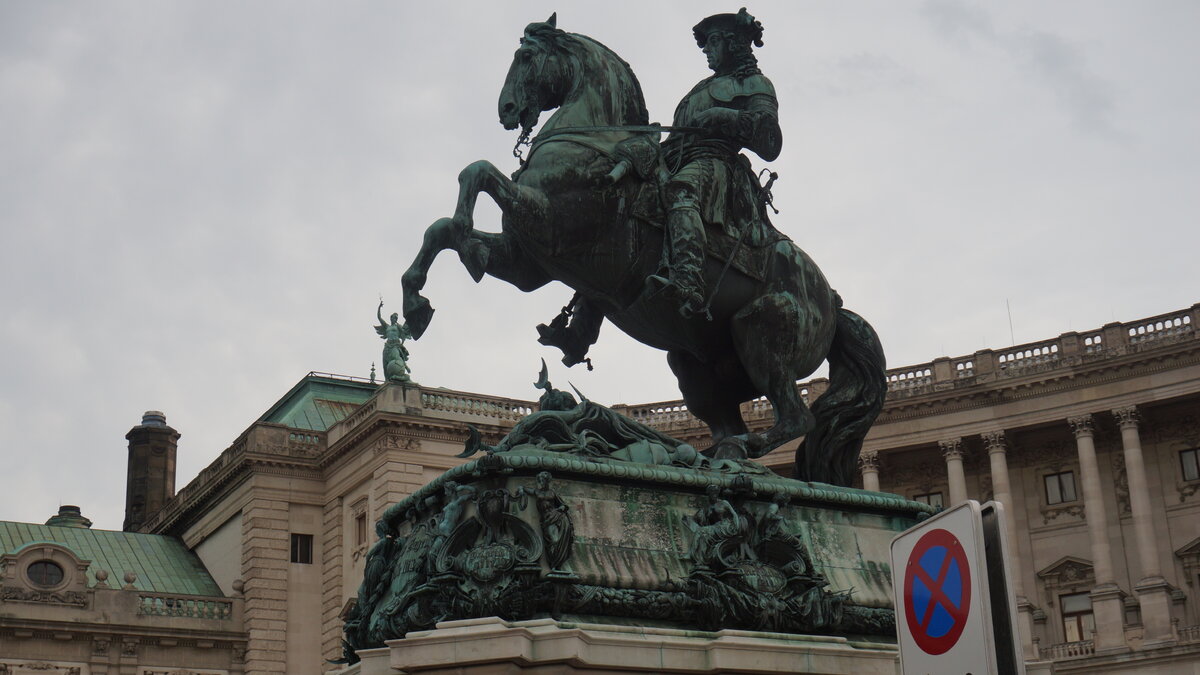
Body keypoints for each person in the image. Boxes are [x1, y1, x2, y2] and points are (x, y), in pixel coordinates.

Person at [647, 8, 782, 318]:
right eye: (706, 43)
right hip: (677, 158)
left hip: (716, 164)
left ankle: (688, 280)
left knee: (682, 192)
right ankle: (582, 328)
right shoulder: (700, 88)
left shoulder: (755, 84)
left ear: (733, 44)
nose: (706, 49)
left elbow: (770, 141)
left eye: (713, 42)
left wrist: (727, 116)